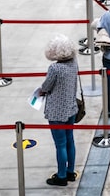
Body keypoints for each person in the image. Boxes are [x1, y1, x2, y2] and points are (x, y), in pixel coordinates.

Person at [38, 34, 79, 186]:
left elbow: (47, 87)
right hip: (71, 108)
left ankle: (61, 175)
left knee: (60, 145)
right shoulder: (74, 63)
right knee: (70, 141)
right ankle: (70, 172)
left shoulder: (55, 68)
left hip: (56, 112)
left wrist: (41, 91)